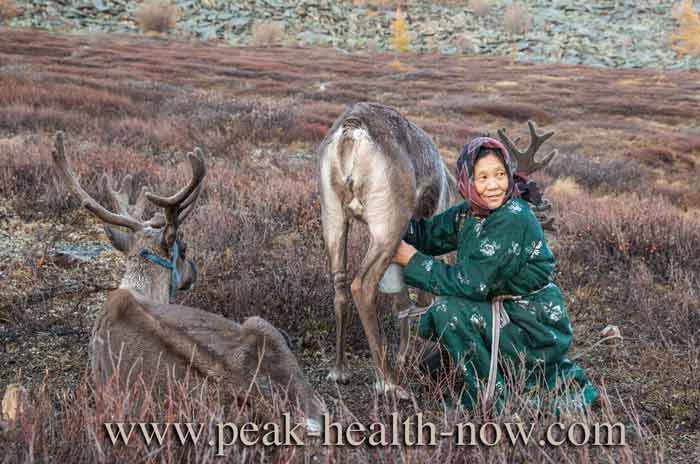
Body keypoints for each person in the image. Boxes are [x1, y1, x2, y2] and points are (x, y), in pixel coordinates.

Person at [392, 136, 597, 412]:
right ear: (467, 181)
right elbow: (428, 235)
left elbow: (470, 283)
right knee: (433, 364)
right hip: (502, 313)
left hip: (531, 327)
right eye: (483, 177)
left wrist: (410, 259)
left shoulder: (513, 218)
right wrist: (388, 222)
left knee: (447, 312)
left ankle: (491, 401)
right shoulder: (470, 213)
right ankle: (486, 374)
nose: (493, 185)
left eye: (500, 175)